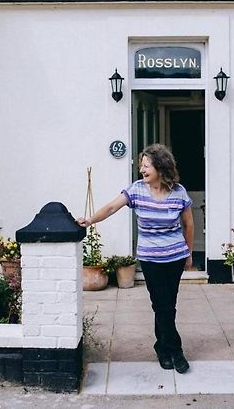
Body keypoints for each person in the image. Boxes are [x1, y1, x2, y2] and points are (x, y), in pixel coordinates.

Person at [77, 143, 194, 374]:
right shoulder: (136, 190)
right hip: (151, 260)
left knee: (168, 305)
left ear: (161, 167)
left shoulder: (179, 192)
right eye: (141, 165)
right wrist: (90, 221)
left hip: (175, 258)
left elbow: (189, 224)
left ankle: (162, 348)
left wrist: (188, 253)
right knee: (161, 304)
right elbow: (111, 207)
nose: (142, 169)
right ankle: (176, 351)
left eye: (146, 165)